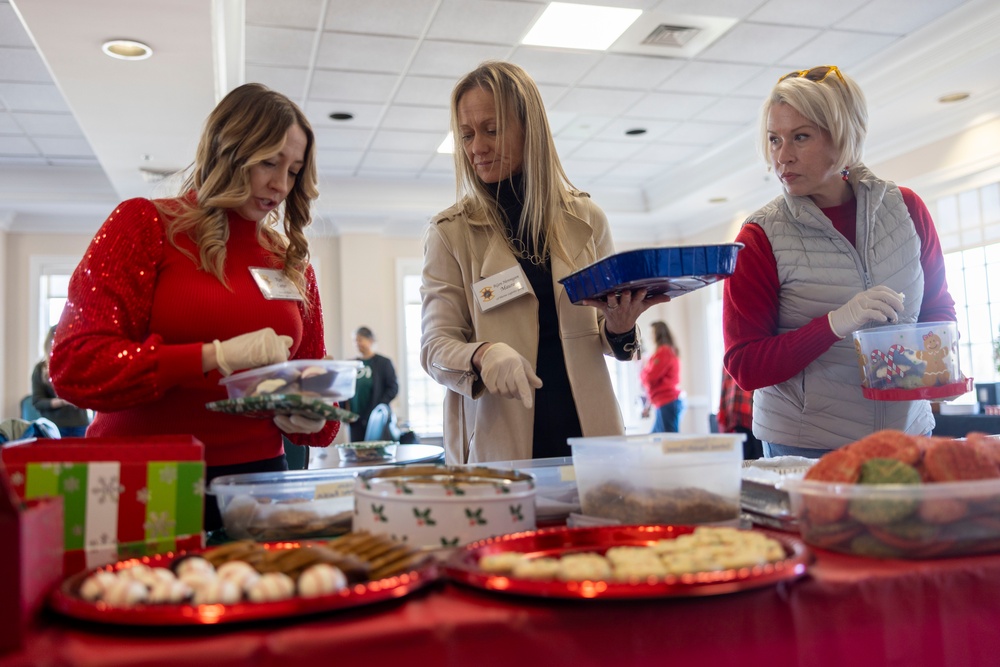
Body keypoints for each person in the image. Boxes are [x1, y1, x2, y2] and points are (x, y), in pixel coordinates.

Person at [50, 83, 339, 529]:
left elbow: (319, 416)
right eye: (268, 162)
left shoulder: (290, 260)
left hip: (257, 486)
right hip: (141, 477)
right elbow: (75, 366)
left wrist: (310, 413)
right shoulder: (144, 225)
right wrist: (212, 358)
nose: (281, 185)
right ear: (228, 150)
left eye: (295, 171)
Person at [420, 61, 669, 464]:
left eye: (491, 129)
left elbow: (605, 336)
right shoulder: (451, 233)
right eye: (466, 134)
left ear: (528, 128)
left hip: (589, 435)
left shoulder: (587, 220)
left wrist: (621, 328)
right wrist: (483, 354)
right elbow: (435, 347)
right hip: (498, 441)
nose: (475, 148)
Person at [723, 65, 956, 458]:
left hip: (907, 438)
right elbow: (744, 365)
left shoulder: (907, 210)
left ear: (843, 135)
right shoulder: (760, 237)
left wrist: (936, 365)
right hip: (806, 446)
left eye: (800, 137)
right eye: (774, 140)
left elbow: (937, 307)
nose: (782, 156)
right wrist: (834, 325)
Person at [32, 325, 91, 437]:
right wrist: (63, 401)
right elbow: (37, 402)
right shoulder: (40, 369)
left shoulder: (79, 364)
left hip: (81, 424)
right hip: (54, 427)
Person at [348, 326, 399, 442]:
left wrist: (379, 408)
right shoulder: (350, 364)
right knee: (357, 453)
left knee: (374, 454)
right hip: (355, 420)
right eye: (354, 341)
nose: (357, 343)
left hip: (376, 419)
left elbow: (393, 388)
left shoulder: (384, 363)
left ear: (370, 340)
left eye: (359, 340)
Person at [639, 321, 683, 433]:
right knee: (656, 438)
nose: (650, 336)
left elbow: (650, 378)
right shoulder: (664, 351)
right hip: (663, 402)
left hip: (667, 401)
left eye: (651, 332)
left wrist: (643, 372)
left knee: (669, 441)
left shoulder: (664, 352)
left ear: (658, 334)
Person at [717, 368, 763, 460]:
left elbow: (724, 386)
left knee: (748, 457)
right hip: (747, 410)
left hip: (739, 409)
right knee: (756, 457)